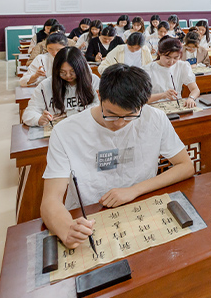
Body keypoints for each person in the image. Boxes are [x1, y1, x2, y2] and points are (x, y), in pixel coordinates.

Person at [40, 64, 195, 249]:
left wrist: (134, 190)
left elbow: (185, 166)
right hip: (89, 215)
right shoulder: (66, 132)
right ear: (99, 96)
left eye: (130, 115)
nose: (120, 123)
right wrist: (66, 229)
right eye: (111, 114)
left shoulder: (155, 118)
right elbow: (50, 200)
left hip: (141, 205)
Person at [23, 47, 100, 127]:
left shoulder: (93, 81)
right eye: (62, 72)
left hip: (86, 128)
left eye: (73, 72)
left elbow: (100, 106)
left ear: (81, 69)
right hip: (58, 131)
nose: (68, 76)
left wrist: (69, 114)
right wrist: (38, 119)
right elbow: (28, 113)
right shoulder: (45, 86)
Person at [143, 37, 200, 106]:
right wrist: (162, 95)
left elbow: (195, 90)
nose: (171, 61)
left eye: (176, 58)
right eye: (167, 58)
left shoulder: (182, 66)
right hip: (155, 107)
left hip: (176, 105)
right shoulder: (148, 69)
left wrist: (191, 98)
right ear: (159, 53)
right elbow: (141, 98)